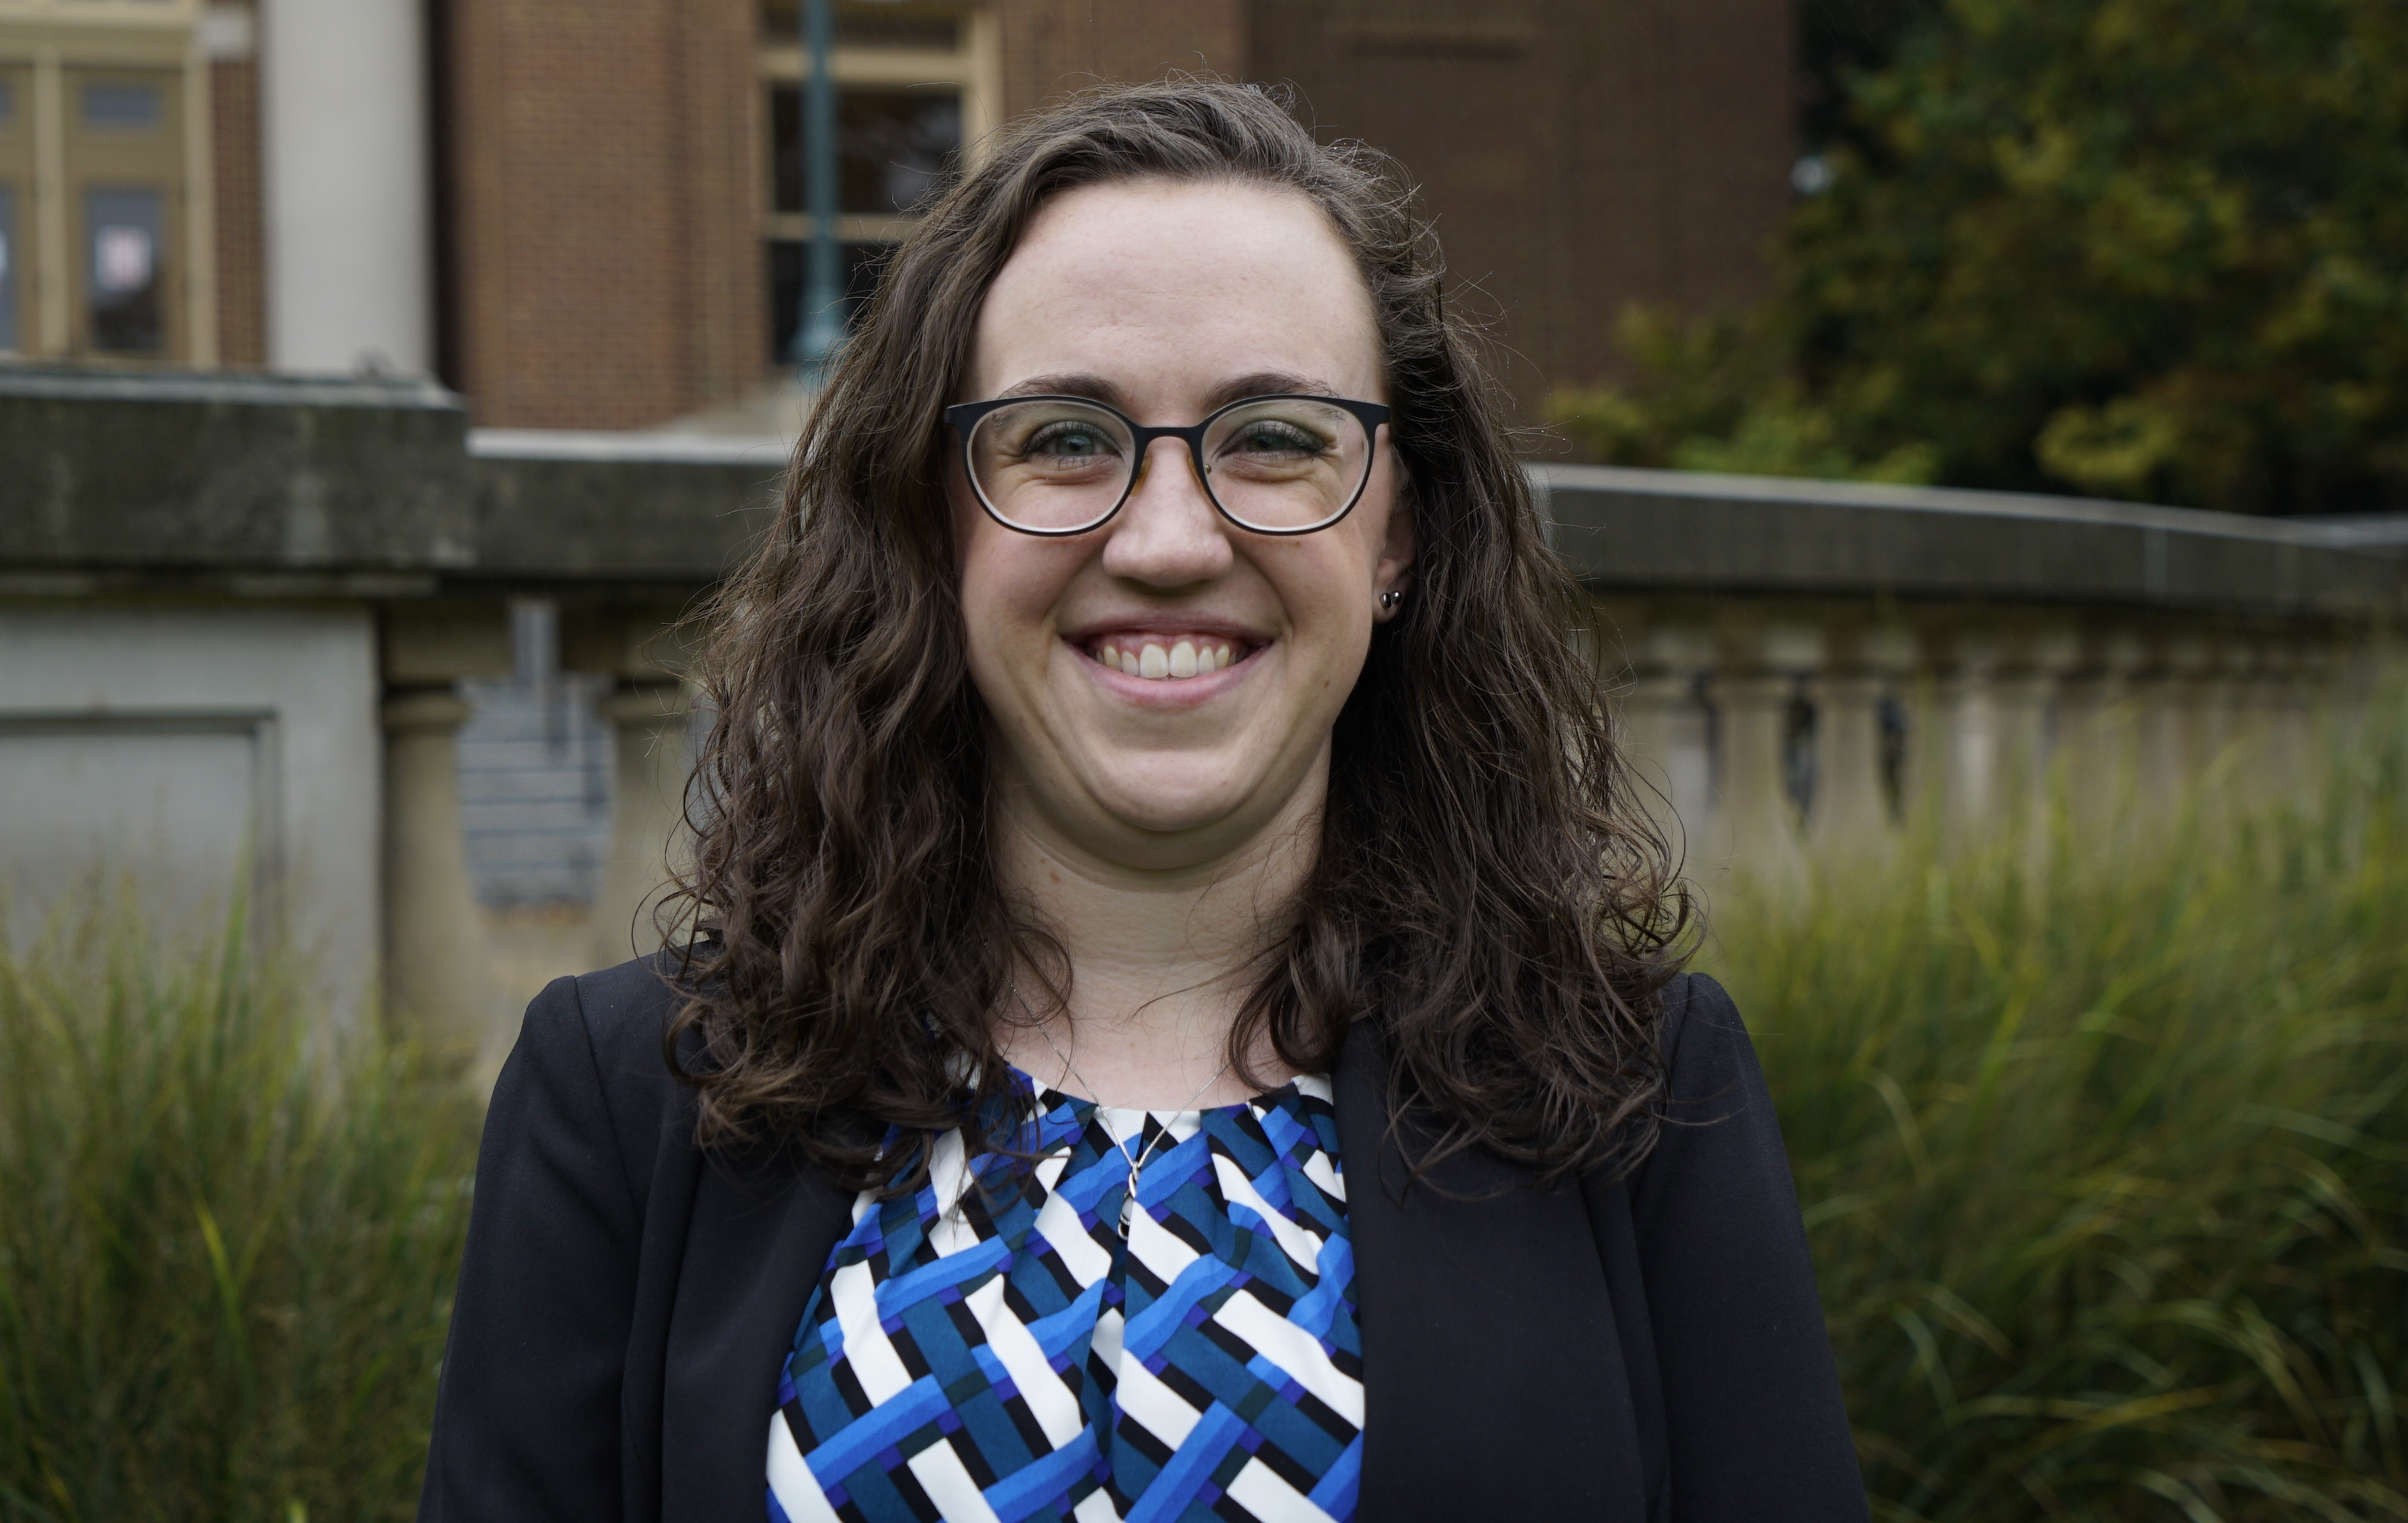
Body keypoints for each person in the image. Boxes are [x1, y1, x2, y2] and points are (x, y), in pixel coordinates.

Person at [418, 78, 1866, 1523]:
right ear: (936, 522)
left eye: (1274, 437)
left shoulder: (1637, 1093)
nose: (1168, 540)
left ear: (1398, 534)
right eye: (1061, 438)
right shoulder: (629, 1097)